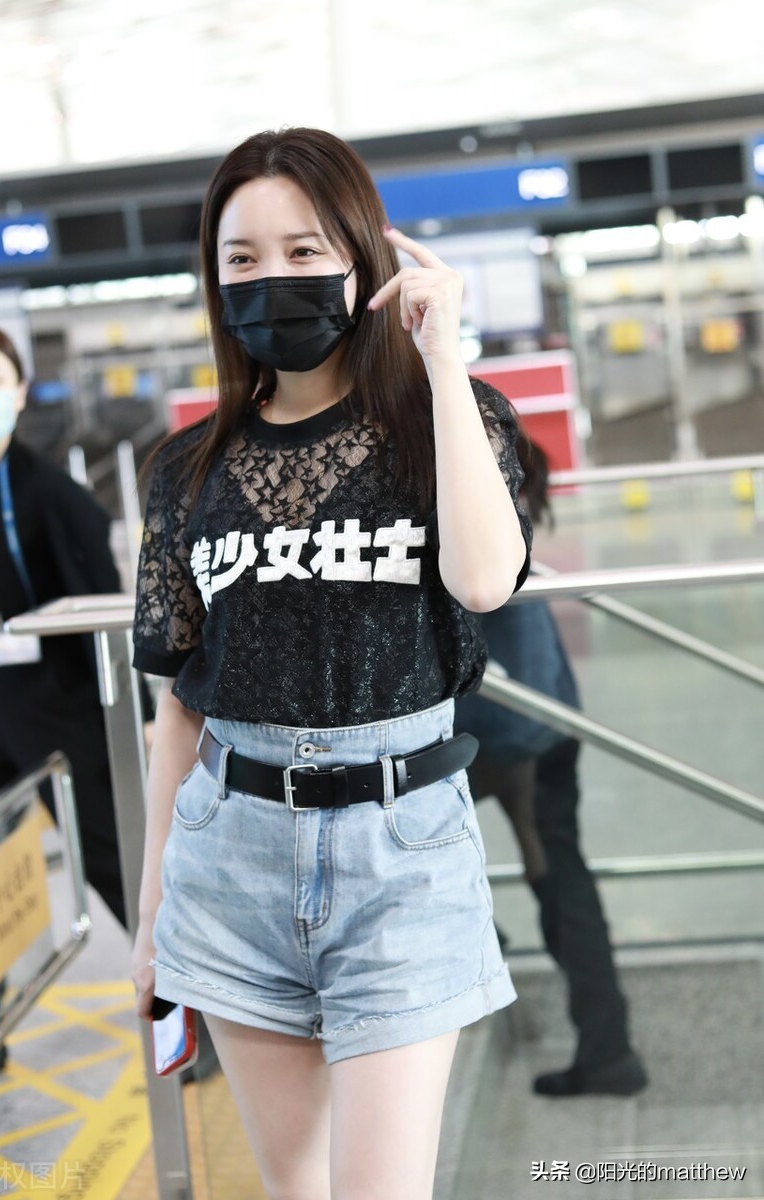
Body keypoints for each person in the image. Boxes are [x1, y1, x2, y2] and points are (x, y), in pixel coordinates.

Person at [130, 126, 532, 1200]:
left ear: (363, 254)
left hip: (399, 848)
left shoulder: (445, 422)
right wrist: (148, 917)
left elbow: (486, 580)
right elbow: (180, 704)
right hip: (228, 856)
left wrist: (441, 355)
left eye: (304, 251)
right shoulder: (184, 470)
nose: (272, 279)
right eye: (242, 259)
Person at [455, 438, 648, 1097]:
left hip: (499, 721)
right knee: (555, 868)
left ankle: (605, 1045)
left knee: (542, 871)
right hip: (545, 706)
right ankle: (606, 1044)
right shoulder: (494, 462)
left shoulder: (454, 464)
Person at [0, 320, 130, 1067]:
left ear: (20, 392)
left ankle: (188, 1025)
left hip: (69, 712)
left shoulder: (53, 498)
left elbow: (113, 613)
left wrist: (142, 719)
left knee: (120, 867)